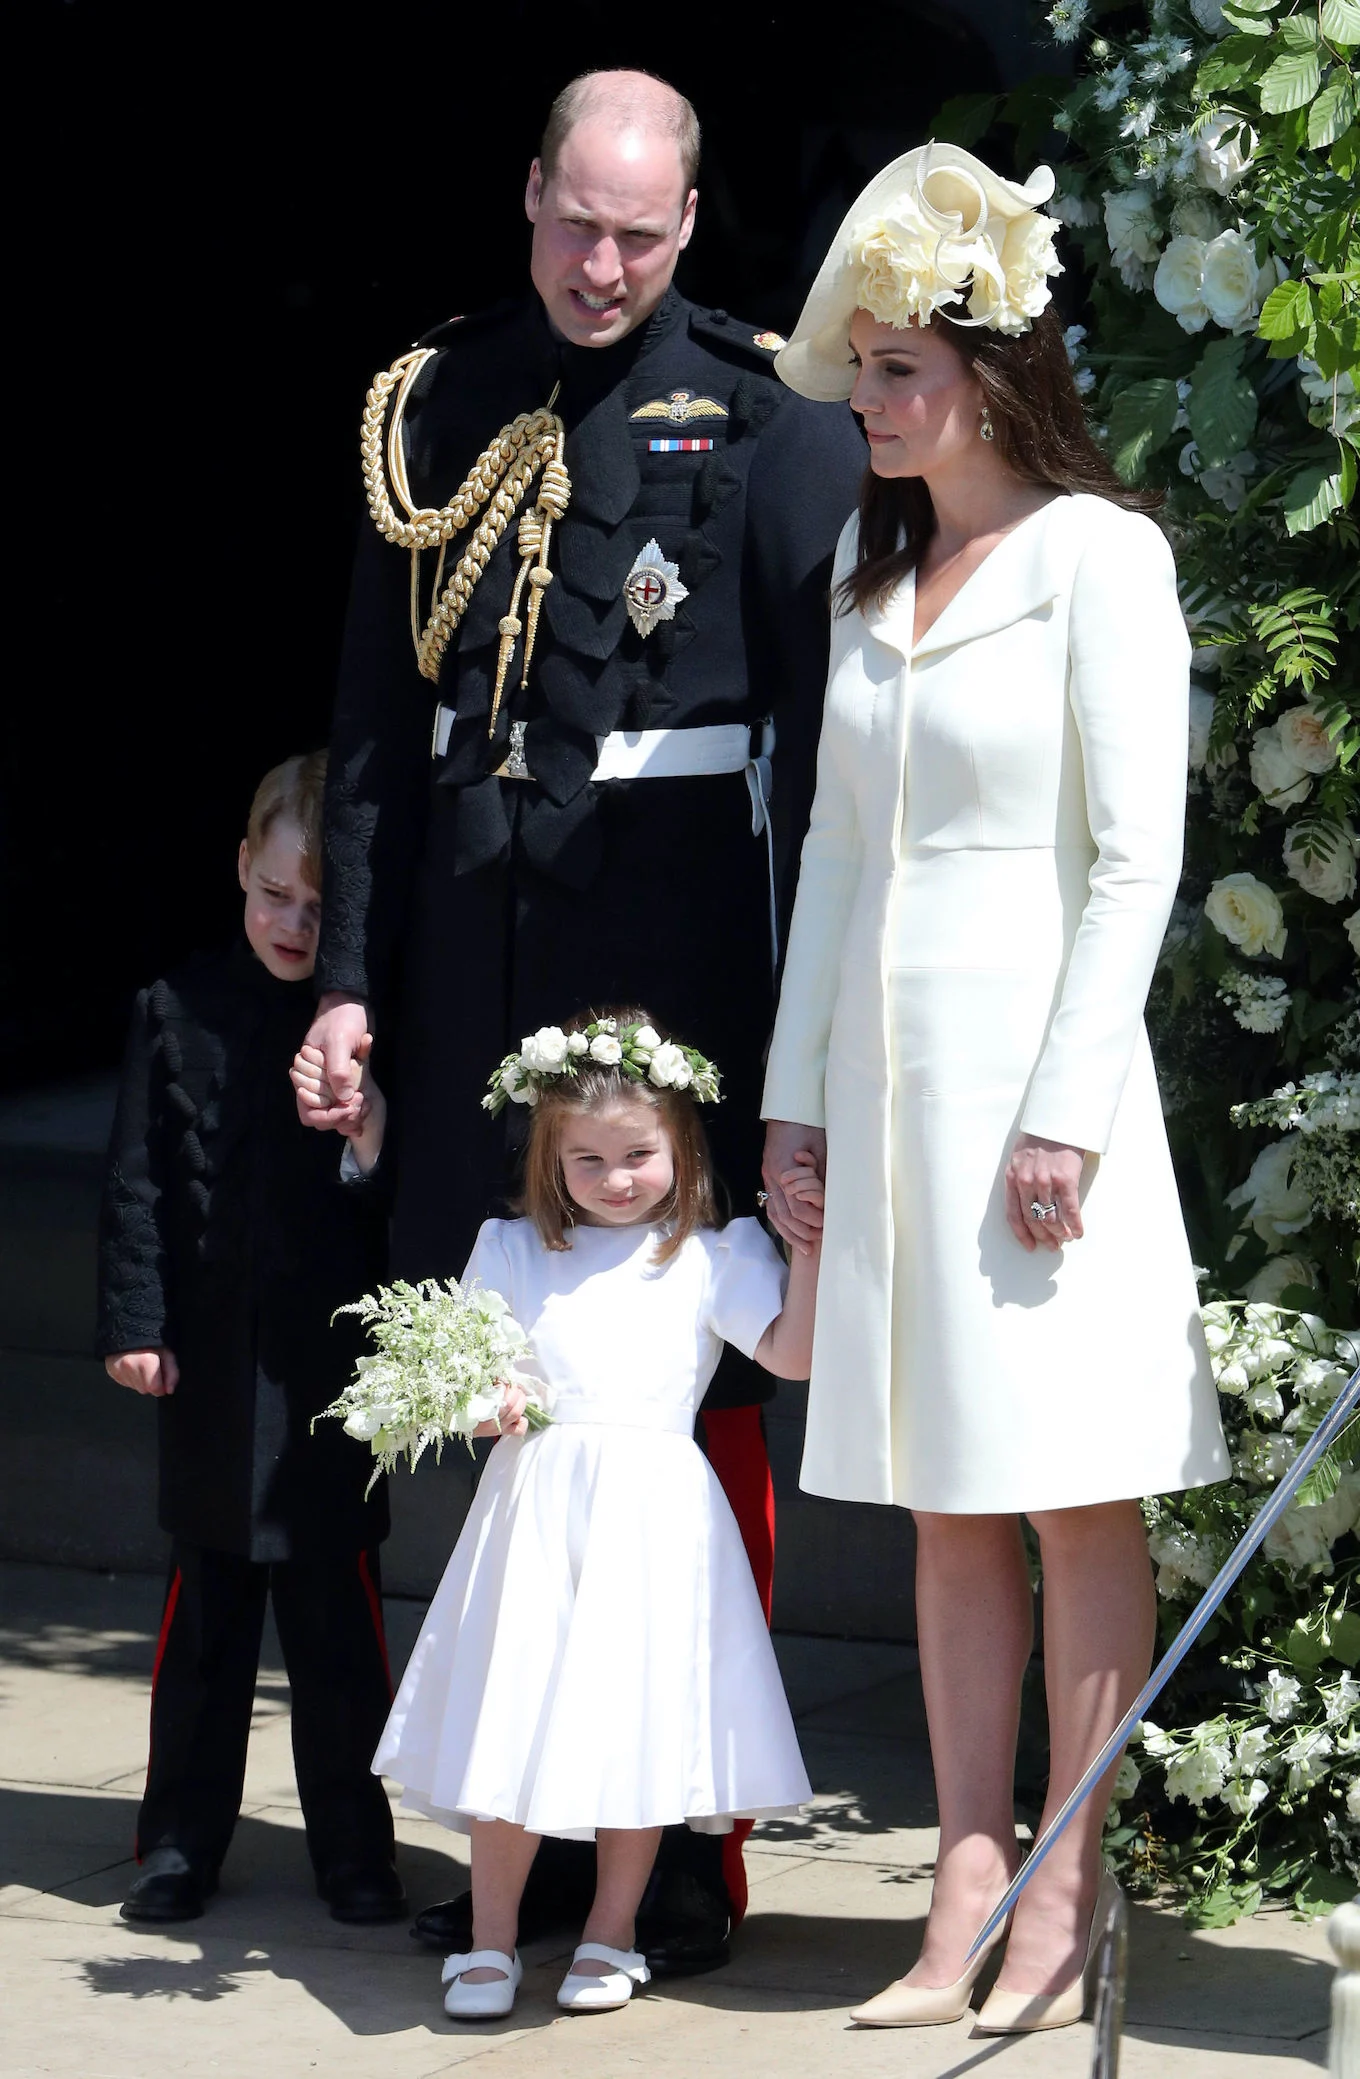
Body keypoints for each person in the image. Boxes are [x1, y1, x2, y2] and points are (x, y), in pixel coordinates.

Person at [298, 67, 865, 1966]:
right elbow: (380, 732)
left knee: (684, 1399)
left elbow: (832, 741)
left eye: (638, 231)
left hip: (677, 948)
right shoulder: (438, 401)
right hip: (478, 957)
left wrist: (809, 1040)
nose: (600, 262)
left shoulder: (772, 414)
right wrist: (360, 978)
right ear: (528, 192)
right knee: (494, 1379)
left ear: (691, 224)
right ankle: (518, 1827)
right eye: (573, 219)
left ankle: (685, 1832)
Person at [758, 144, 1229, 2033]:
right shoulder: (877, 578)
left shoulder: (1099, 555)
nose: (868, 401)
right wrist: (795, 1108)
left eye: (897, 369)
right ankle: (962, 1870)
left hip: (1044, 1103)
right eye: (860, 367)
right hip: (890, 1102)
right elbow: (842, 869)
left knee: (1067, 1497)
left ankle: (1064, 1876)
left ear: (992, 370)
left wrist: (1068, 1108)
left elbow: (1136, 855)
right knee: (951, 1500)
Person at [294, 1008, 822, 2019]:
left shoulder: (715, 1254)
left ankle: (609, 1932)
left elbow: (788, 1356)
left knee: (636, 1724)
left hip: (656, 1514)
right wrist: (480, 1401)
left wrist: (806, 1252)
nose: (616, 1177)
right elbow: (472, 1369)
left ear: (680, 1146)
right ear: (550, 1155)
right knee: (514, 1713)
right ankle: (492, 1939)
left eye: (637, 1154)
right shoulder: (510, 1249)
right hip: (536, 1510)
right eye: (587, 1159)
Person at [96, 753, 403, 1928]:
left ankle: (353, 1847)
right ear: (240, 866)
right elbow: (137, 1186)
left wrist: (371, 1138)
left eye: (320, 908)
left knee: (337, 1626)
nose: (292, 921)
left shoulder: (369, 1033)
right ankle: (177, 1840)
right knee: (207, 1622)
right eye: (276, 892)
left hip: (329, 1371)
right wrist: (136, 1324)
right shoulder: (173, 1010)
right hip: (214, 1368)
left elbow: (391, 1205)